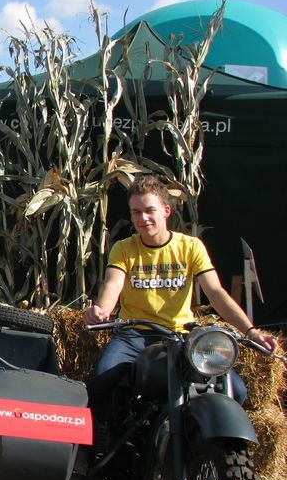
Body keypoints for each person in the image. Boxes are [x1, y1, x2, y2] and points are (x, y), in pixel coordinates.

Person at [83, 174, 277, 424]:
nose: (142, 218)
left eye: (149, 210)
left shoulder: (190, 246)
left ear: (166, 210)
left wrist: (252, 333)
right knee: (100, 380)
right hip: (134, 335)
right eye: (135, 212)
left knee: (236, 391)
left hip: (181, 336)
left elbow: (216, 293)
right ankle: (98, 448)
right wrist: (101, 310)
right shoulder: (124, 248)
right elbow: (113, 284)